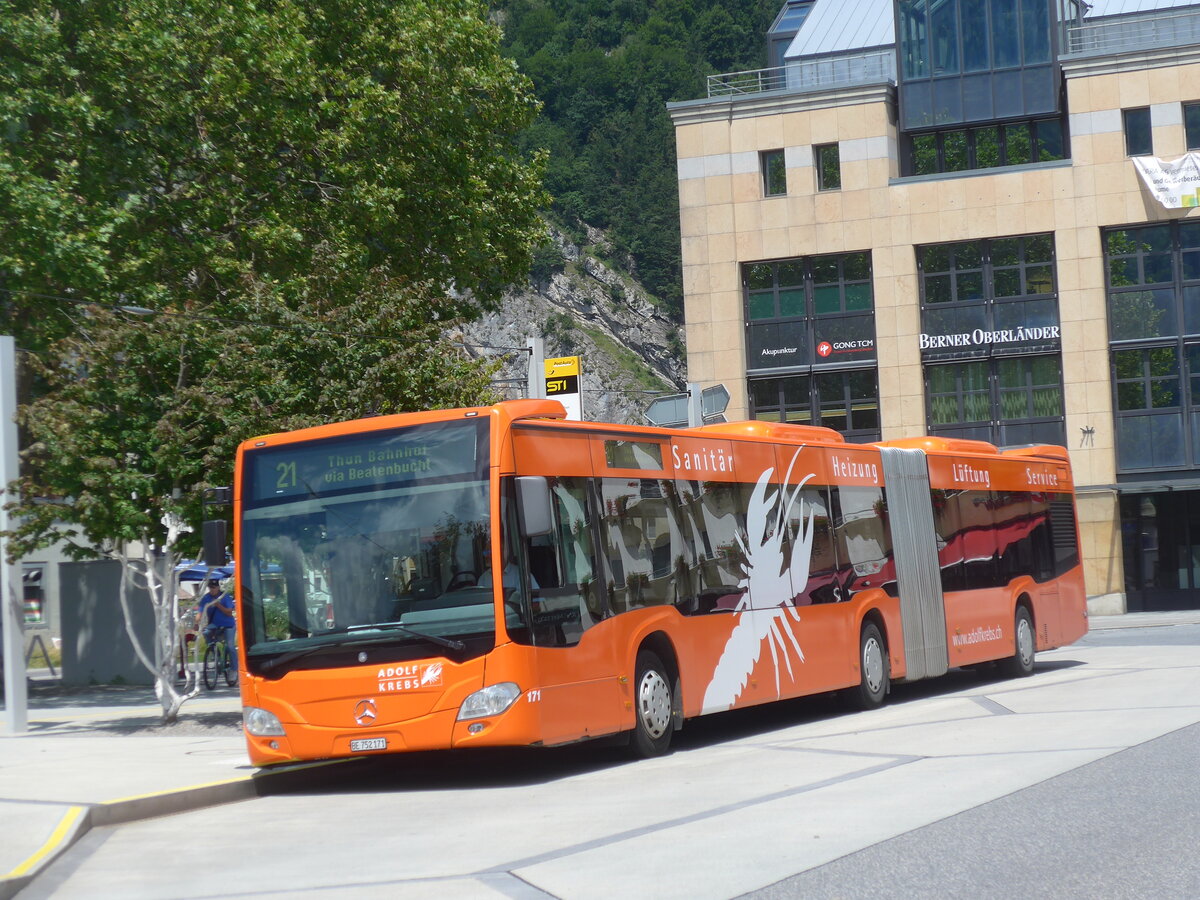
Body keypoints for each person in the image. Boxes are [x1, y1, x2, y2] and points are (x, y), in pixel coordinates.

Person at [197, 578, 236, 662]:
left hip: (228, 625)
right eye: (210, 587)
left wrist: (218, 605)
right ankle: (214, 652)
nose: (212, 589)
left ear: (218, 588)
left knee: (230, 647)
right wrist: (197, 622)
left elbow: (229, 613)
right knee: (206, 632)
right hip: (214, 624)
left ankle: (234, 669)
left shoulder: (225, 596)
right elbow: (200, 612)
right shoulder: (206, 597)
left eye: (214, 587)